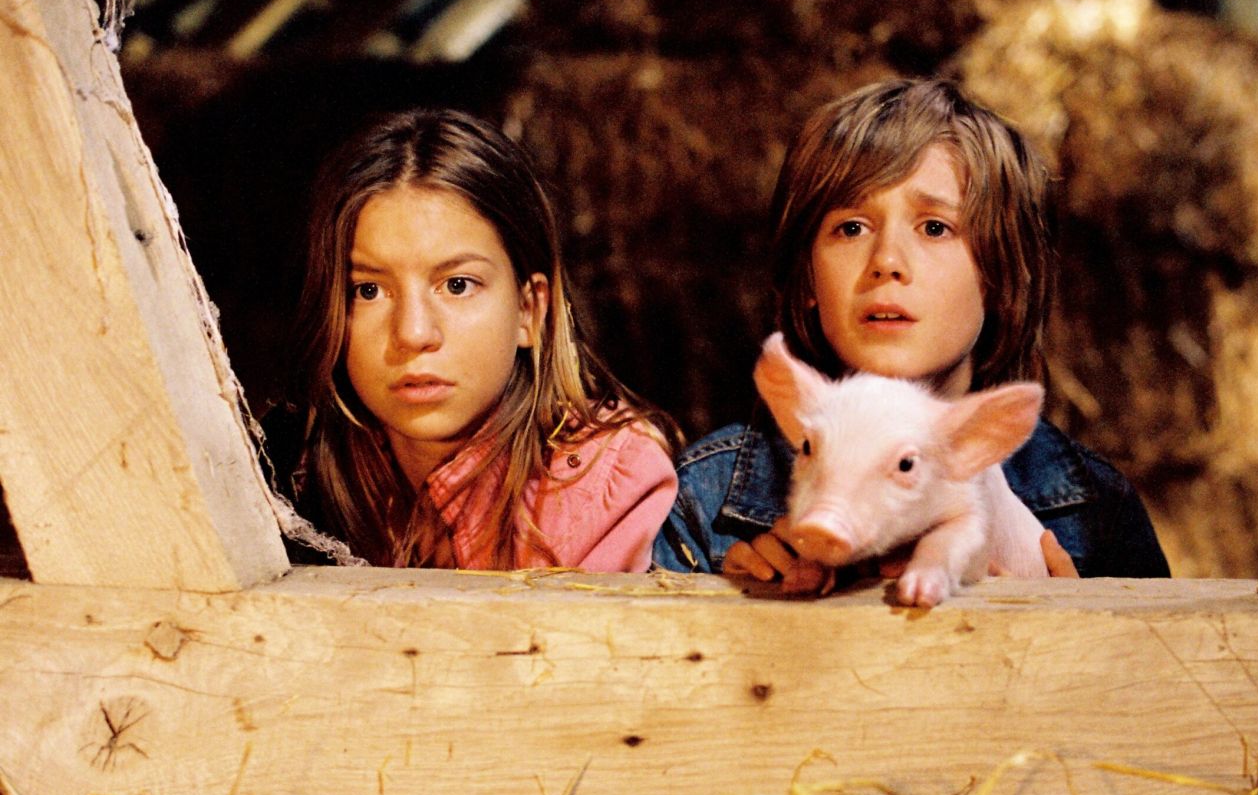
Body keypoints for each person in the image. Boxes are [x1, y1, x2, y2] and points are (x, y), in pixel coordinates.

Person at [653, 79, 1169, 586]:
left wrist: (1069, 621)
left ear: (1000, 279)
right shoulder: (704, 496)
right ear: (807, 279)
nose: (887, 261)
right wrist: (731, 604)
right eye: (851, 228)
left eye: (935, 227)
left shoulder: (1097, 512)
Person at [274, 108, 677, 571]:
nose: (413, 333)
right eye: (368, 291)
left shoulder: (605, 484)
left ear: (529, 309)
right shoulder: (292, 476)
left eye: (457, 285)